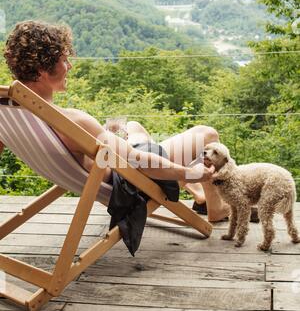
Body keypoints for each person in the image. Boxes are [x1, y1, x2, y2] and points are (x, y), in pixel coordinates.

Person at [2, 21, 229, 222]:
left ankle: (199, 195)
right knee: (206, 135)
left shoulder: (10, 110)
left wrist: (103, 135)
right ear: (42, 70)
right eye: (64, 59)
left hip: (107, 175)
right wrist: (192, 174)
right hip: (132, 186)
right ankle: (216, 208)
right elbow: (140, 162)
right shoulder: (70, 121)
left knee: (132, 127)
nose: (69, 66)